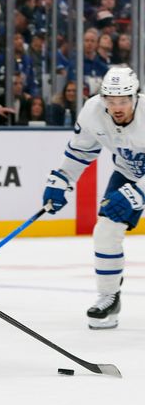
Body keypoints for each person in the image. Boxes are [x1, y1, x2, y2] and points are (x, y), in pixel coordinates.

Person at [42, 66, 145, 330]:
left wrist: (139, 192)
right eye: (111, 101)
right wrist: (62, 179)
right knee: (106, 229)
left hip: (137, 181)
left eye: (123, 101)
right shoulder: (93, 112)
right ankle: (109, 297)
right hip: (128, 172)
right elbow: (80, 152)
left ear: (135, 97)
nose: (117, 107)